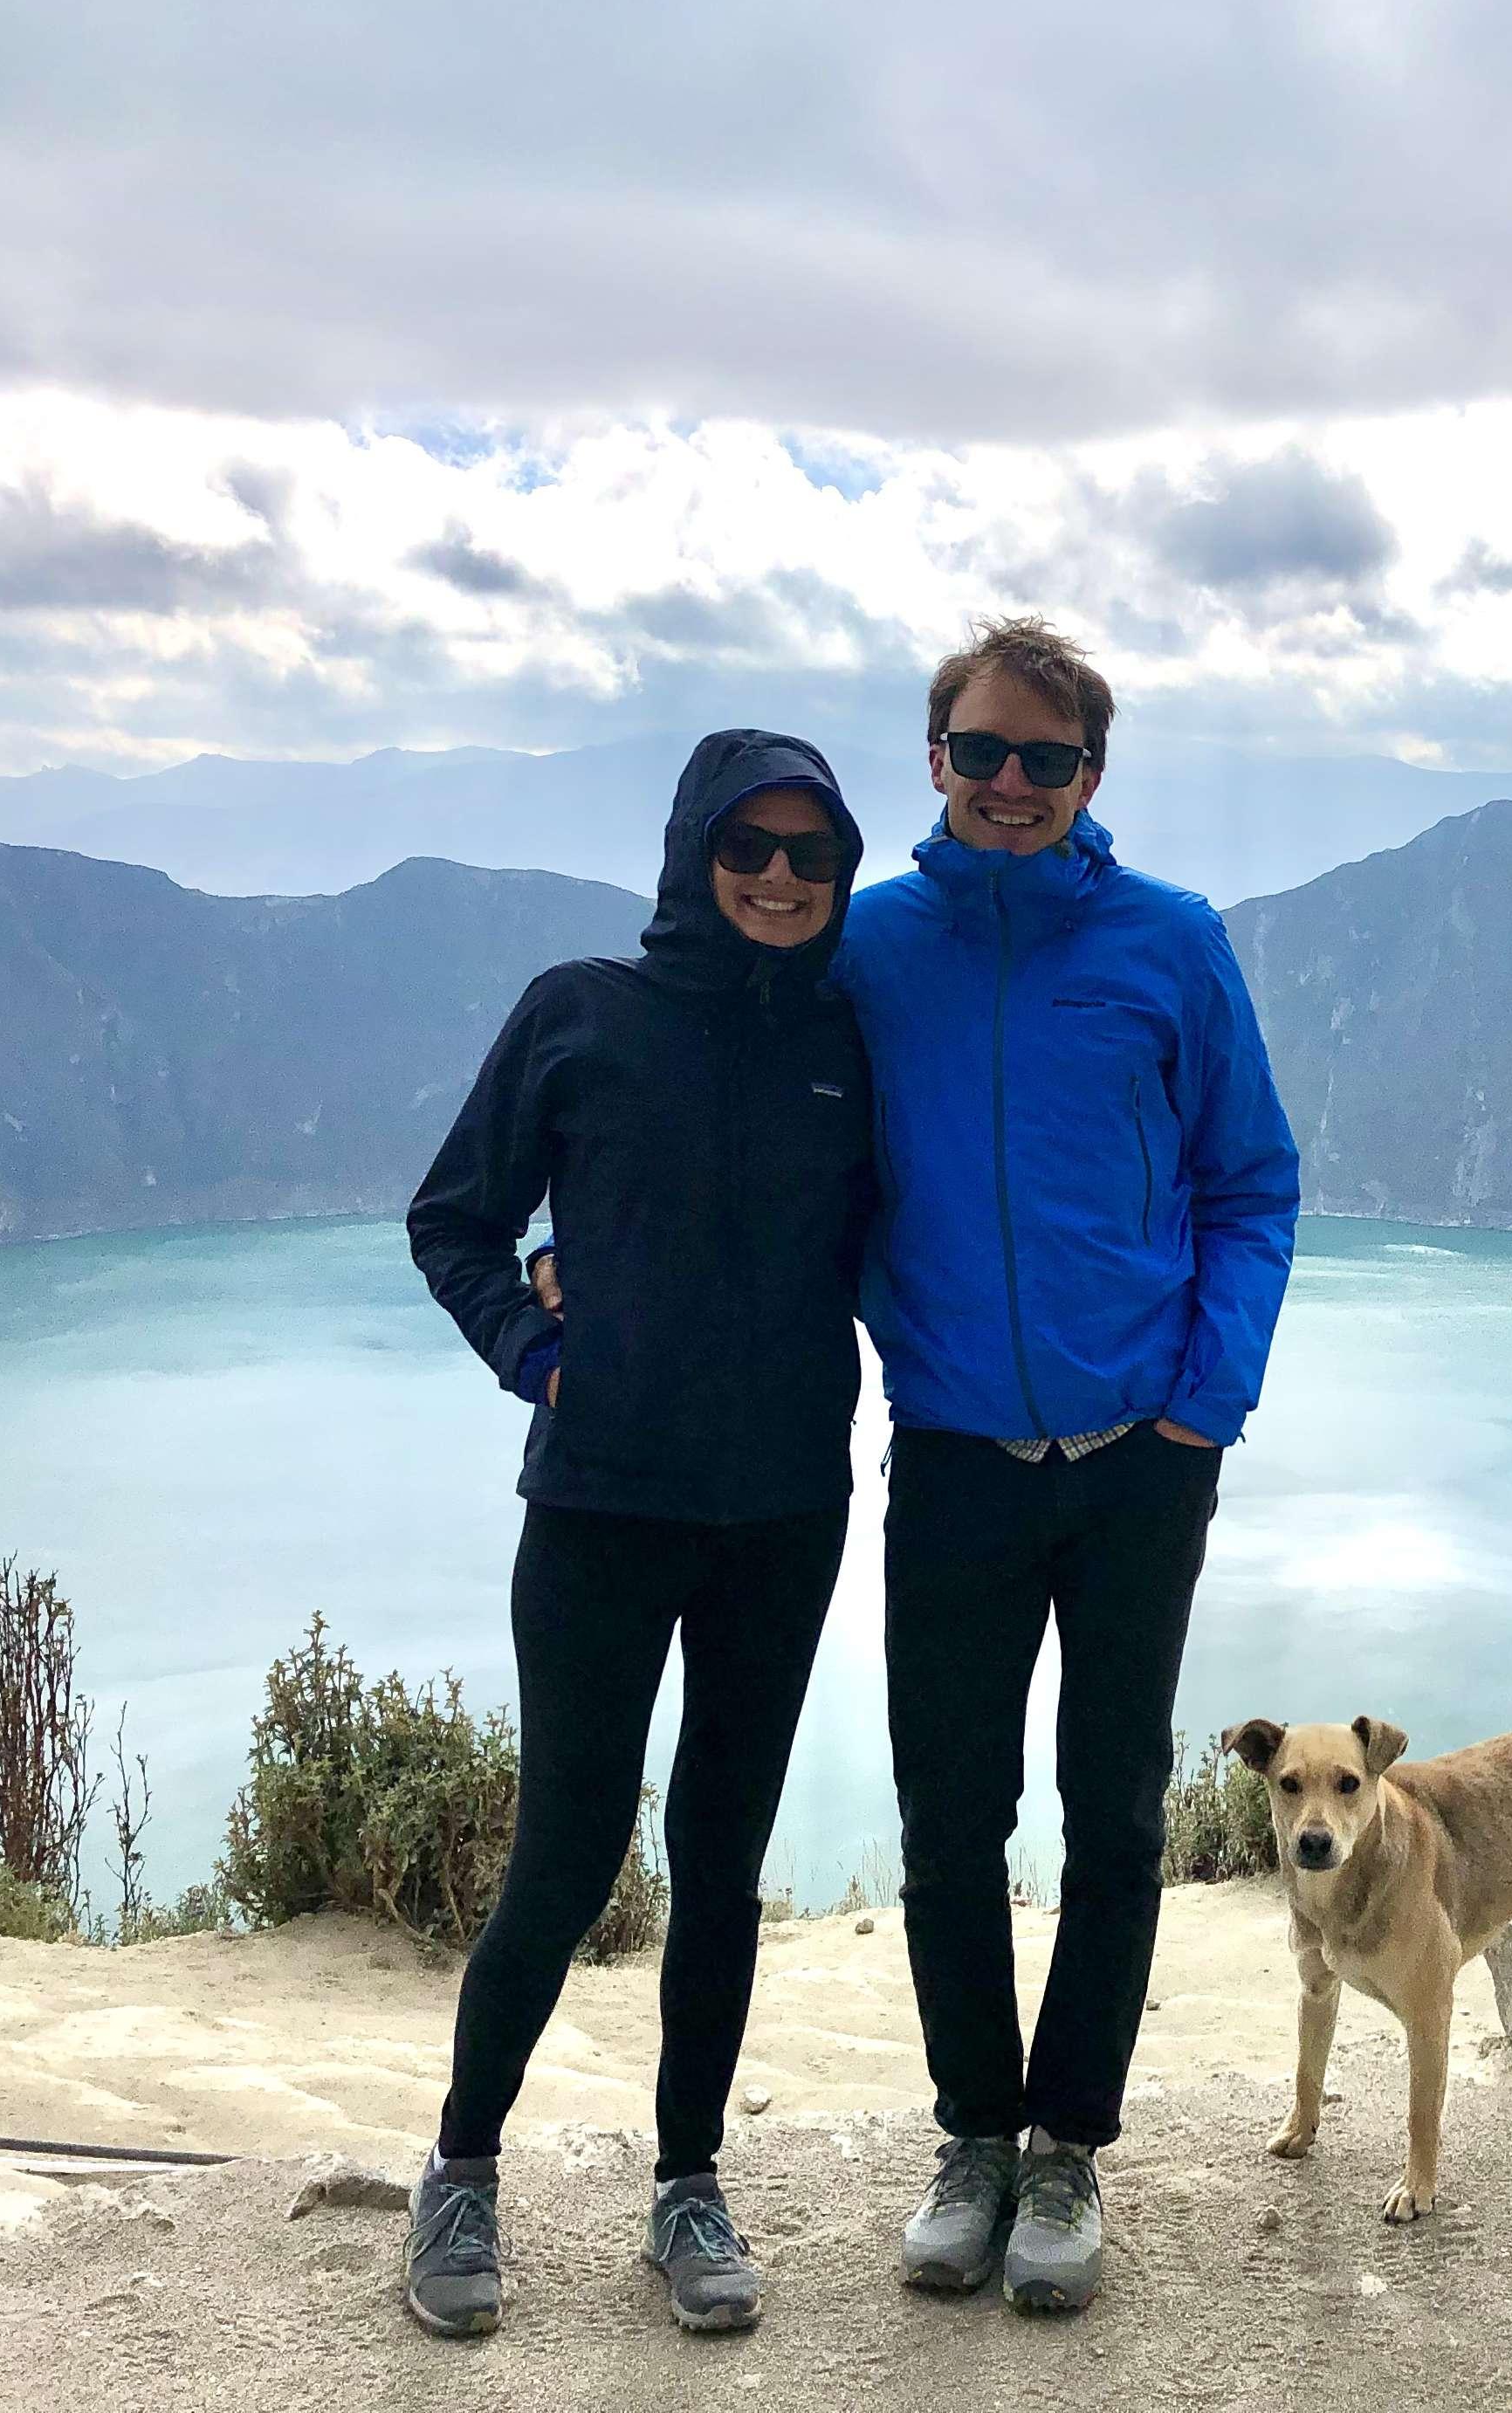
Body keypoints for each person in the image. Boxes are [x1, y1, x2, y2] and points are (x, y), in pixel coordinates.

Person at [833, 616, 1299, 2313]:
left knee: (1111, 1818)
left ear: (1091, 773)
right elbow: (756, 1128)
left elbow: (1251, 1182)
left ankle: (1067, 2152)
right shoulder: (870, 951)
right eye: (980, 750)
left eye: (1045, 756)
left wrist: (1203, 1403)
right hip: (955, 1450)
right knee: (950, 1820)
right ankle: (973, 2133)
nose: (1010, 782)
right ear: (935, 761)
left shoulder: (1168, 944)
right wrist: (583, 1248)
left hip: (1135, 1465)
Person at [402, 729, 870, 2341]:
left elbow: (911, 1229)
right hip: (600, 1503)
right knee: (567, 1850)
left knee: (720, 1859)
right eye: (749, 846)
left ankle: (687, 2184)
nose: (779, 879)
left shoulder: (850, 1035)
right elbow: (453, 1219)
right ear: (692, 852)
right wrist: (536, 1352)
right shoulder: (581, 1011)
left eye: (813, 854)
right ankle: (463, 2166)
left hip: (786, 1511)